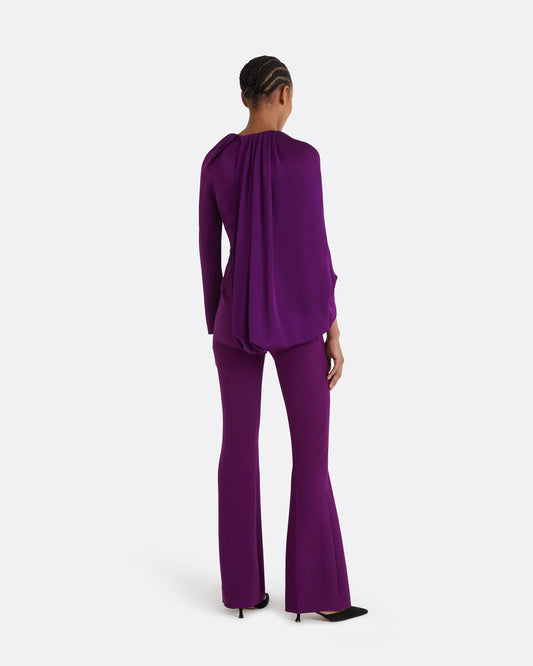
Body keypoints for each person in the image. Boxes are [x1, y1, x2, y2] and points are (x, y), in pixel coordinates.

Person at [198, 55, 368, 623]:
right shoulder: (304, 159)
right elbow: (314, 248)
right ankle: (317, 597)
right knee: (311, 453)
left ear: (245, 97)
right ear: (284, 95)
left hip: (235, 321)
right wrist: (332, 329)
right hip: (298, 321)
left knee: (237, 449)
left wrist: (217, 318)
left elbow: (208, 251)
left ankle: (242, 591)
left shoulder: (217, 161)